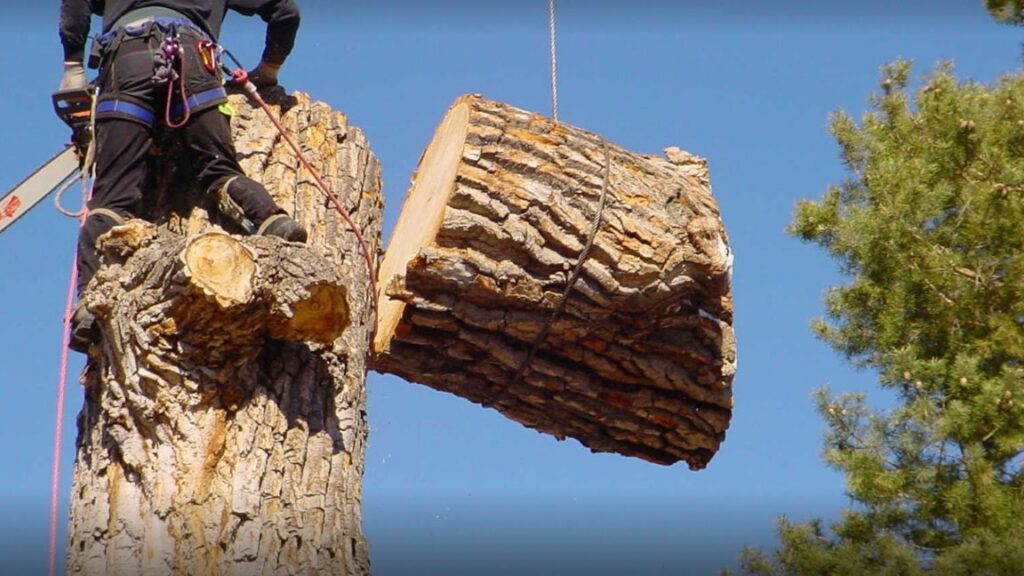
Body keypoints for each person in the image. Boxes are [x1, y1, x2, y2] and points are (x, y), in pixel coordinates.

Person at [58, 0, 307, 352]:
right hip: (195, 60)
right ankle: (271, 220)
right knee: (218, 169)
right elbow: (286, 12)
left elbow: (76, 5)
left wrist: (73, 66)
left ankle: (92, 301)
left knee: (113, 196)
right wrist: (268, 69)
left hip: (126, 62)